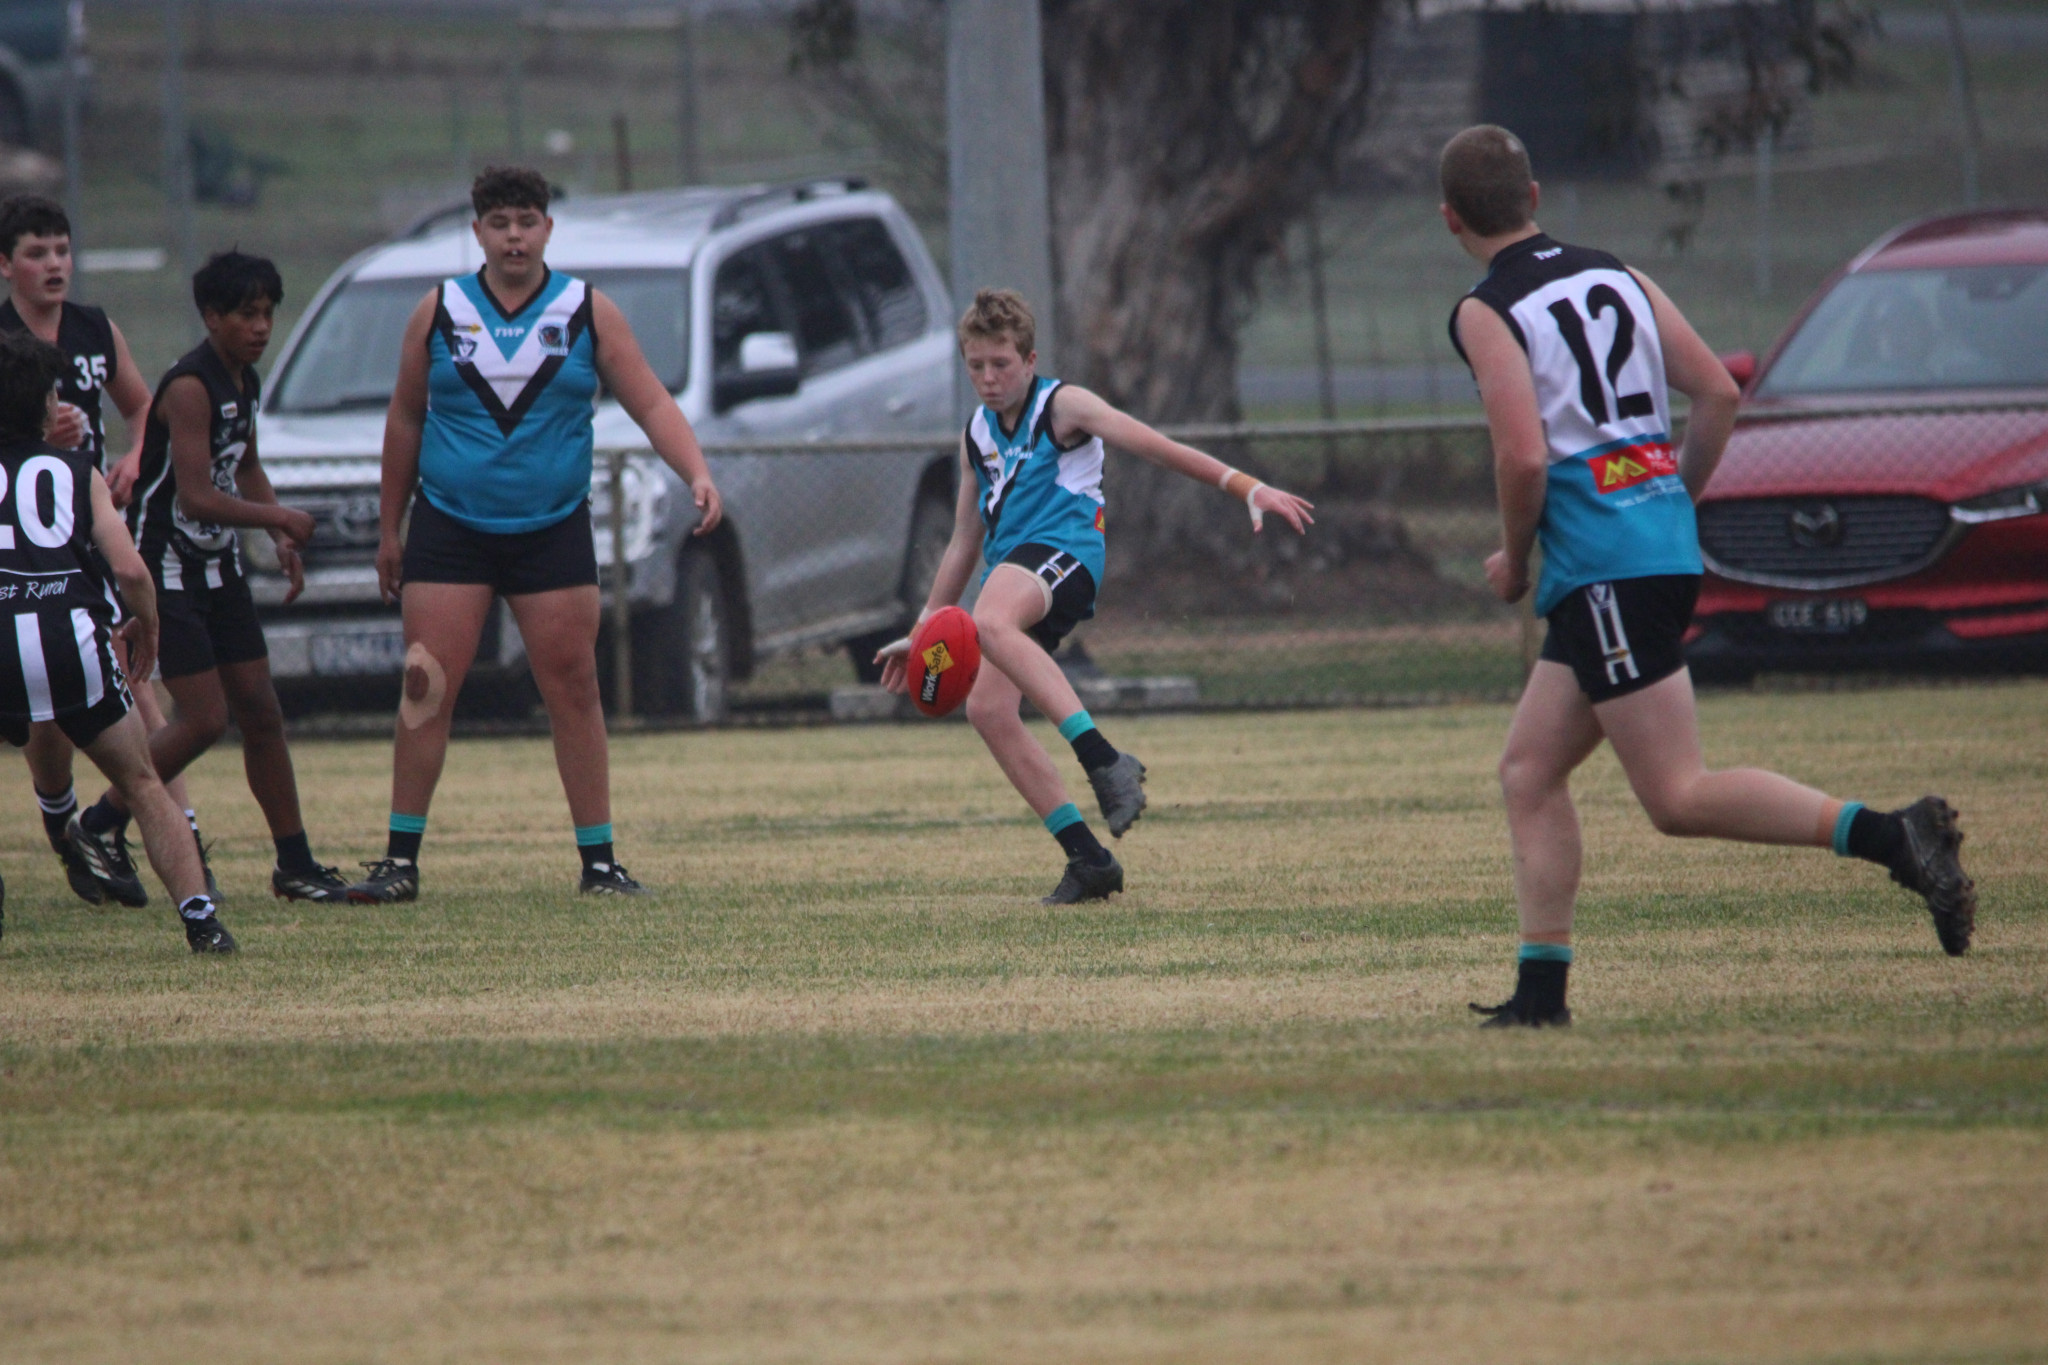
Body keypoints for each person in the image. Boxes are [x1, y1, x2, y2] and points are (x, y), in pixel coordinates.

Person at [1438, 125, 1975, 1028]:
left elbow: (1523, 458)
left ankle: (1895, 835)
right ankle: (1540, 995)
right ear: (1533, 196)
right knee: (1529, 770)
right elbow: (1719, 393)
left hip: (1604, 570)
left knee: (1677, 796)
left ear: (1449, 219)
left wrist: (1514, 559)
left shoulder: (1485, 309)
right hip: (1645, 555)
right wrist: (1667, 500)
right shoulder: (1620, 275)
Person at [346, 165, 724, 903]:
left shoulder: (586, 309)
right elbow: (406, 419)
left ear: (548, 228)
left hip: (551, 527)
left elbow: (649, 399)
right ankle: (400, 861)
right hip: (451, 525)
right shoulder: (439, 310)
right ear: (477, 231)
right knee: (425, 681)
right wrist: (391, 528)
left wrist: (697, 472)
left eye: (526, 221)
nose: (513, 236)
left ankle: (600, 862)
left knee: (574, 684)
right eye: (498, 222)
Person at [876, 289, 1314, 904]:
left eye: (1001, 364)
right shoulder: (976, 435)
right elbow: (961, 543)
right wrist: (923, 632)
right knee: (987, 710)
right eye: (975, 365)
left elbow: (1154, 445)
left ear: (1029, 360)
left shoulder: (1063, 404)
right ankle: (1088, 859)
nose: (988, 378)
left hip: (1068, 554)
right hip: (1015, 574)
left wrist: (1243, 485)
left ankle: (1104, 760)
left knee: (992, 619)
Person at [68, 251, 352, 904]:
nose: (261, 327)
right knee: (203, 720)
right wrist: (278, 515)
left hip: (217, 566)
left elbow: (243, 462)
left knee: (263, 711)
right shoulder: (191, 386)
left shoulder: (242, 379)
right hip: (167, 565)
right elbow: (195, 496)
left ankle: (296, 864)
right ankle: (100, 822)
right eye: (247, 314)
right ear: (212, 317)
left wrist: (275, 529)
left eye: (268, 313)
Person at [0, 194, 216, 906]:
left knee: (137, 699)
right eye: (37, 253)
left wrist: (127, 458)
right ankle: (71, 827)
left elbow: (144, 406)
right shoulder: (4, 340)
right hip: (24, 544)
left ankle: (163, 839)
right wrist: (37, 446)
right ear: (6, 265)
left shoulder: (95, 329)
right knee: (49, 723)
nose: (54, 264)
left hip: (90, 527)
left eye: (62, 249)